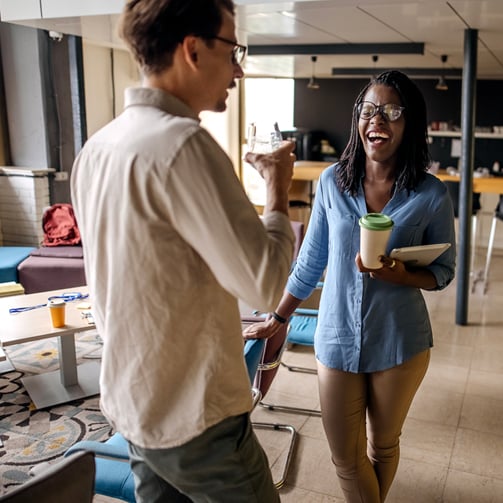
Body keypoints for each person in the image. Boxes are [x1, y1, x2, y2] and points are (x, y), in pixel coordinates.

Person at [70, 1, 296, 502]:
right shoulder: (183, 145)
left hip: (135, 405)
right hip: (198, 418)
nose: (238, 68)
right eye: (233, 48)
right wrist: (278, 188)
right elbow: (265, 283)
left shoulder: (96, 148)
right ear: (192, 49)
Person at [243, 70, 456, 502]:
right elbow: (311, 259)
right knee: (345, 458)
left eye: (392, 111)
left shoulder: (431, 194)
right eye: (369, 110)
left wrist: (403, 275)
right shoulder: (331, 182)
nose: (377, 120)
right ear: (358, 118)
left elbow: (444, 271)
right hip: (337, 337)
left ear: (409, 122)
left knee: (383, 445)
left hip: (400, 341)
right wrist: (278, 317)